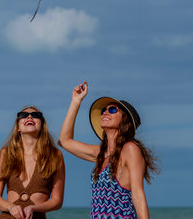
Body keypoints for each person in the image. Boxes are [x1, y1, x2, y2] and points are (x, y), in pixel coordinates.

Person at [58, 82, 158, 219]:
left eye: (112, 110)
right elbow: (64, 141)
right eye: (104, 110)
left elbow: (138, 195)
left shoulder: (129, 149)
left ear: (125, 120)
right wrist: (76, 102)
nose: (105, 112)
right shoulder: (101, 153)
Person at [0, 106, 65, 219]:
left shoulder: (55, 155)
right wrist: (10, 207)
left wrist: (34, 208)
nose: (29, 116)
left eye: (36, 115)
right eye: (23, 115)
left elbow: (57, 201)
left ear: (42, 125)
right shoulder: (6, 153)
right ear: (17, 127)